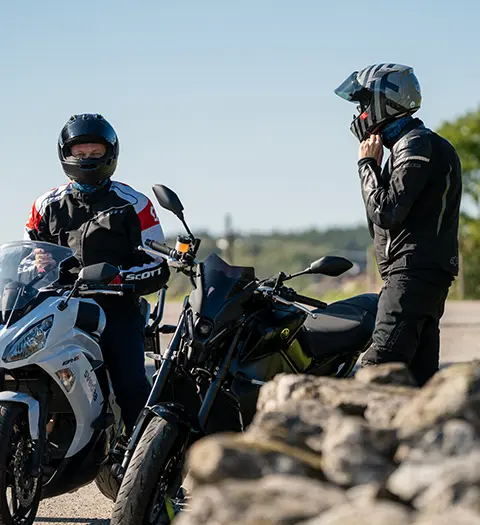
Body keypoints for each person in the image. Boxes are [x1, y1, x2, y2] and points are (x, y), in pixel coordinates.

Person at [24, 113, 170, 434]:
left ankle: (149, 471)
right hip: (58, 308)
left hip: (115, 308)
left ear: (110, 154)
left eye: (95, 153)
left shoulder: (135, 204)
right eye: (80, 153)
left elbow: (158, 267)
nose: (88, 159)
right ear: (67, 154)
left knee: (131, 385)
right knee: (18, 365)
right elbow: (29, 259)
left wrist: (118, 277)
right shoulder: (45, 205)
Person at [334, 63, 462, 386]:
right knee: (418, 385)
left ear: (385, 102)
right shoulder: (427, 144)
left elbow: (386, 211)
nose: (360, 114)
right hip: (426, 279)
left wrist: (366, 165)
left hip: (410, 278)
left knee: (372, 374)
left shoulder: (413, 144)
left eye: (364, 104)